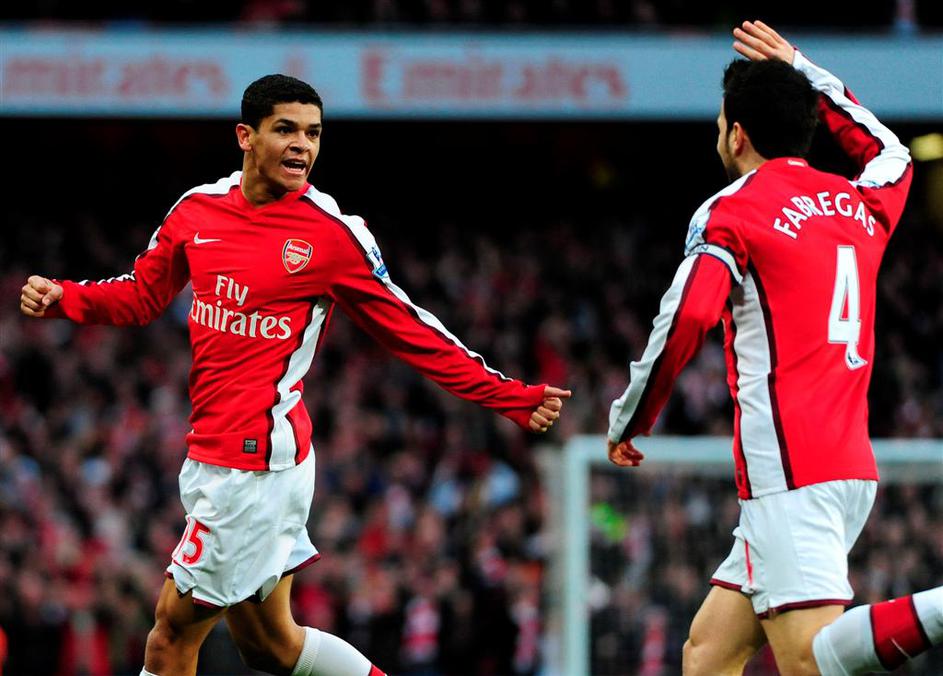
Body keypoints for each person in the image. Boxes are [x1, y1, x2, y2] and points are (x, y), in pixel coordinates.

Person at [20, 74, 571, 676]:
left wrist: (509, 396)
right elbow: (142, 295)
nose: (302, 146)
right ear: (246, 136)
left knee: (169, 639)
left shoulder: (331, 235)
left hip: (255, 466)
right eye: (286, 129)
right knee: (270, 645)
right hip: (217, 455)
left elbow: (411, 330)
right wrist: (67, 298)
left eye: (313, 133)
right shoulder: (196, 211)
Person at [606, 20, 941, 676]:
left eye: (718, 124)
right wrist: (801, 67)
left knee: (809, 662)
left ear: (737, 134)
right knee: (707, 655)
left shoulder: (733, 211)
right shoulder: (862, 201)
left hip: (790, 472)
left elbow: (687, 315)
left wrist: (631, 416)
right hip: (846, 466)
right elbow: (891, 151)